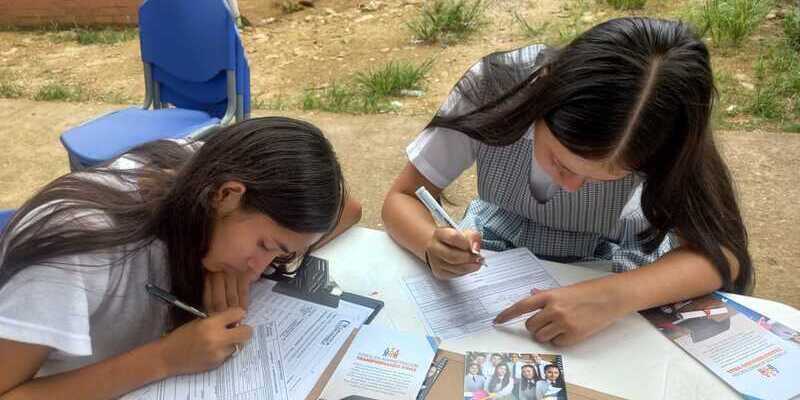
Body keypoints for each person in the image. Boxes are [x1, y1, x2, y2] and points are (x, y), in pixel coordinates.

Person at [382, 17, 753, 346]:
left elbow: (722, 256)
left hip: (615, 256)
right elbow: (402, 197)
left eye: (615, 175)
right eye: (560, 162)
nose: (573, 186)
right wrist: (430, 243)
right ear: (539, 102)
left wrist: (610, 298)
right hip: (495, 247)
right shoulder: (496, 91)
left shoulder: (670, 130)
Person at [0, 117, 362, 398]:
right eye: (266, 247)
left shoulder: (201, 168)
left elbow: (350, 209)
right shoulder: (76, 252)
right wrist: (164, 359)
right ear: (226, 196)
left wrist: (226, 263)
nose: (257, 273)